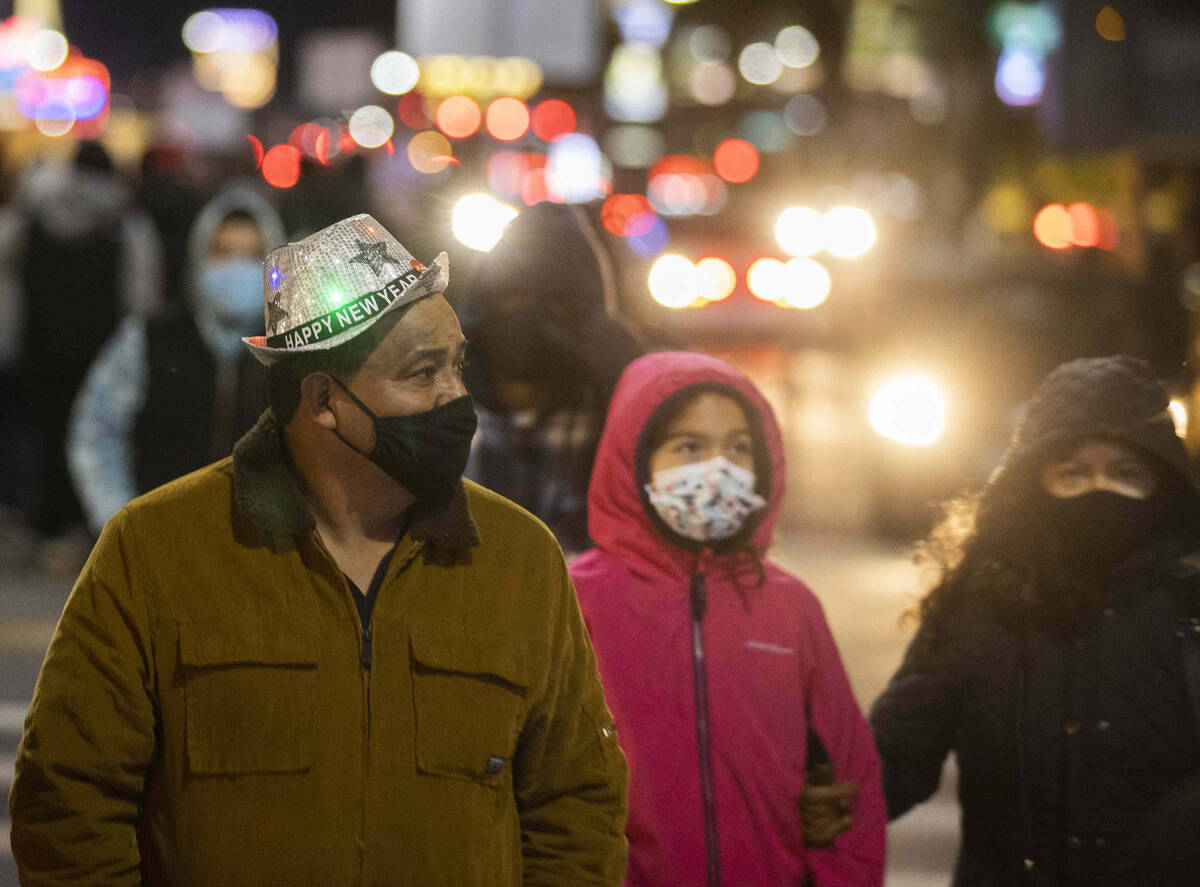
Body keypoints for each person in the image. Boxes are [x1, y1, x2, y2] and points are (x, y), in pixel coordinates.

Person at [9, 214, 628, 885]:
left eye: (457, 365)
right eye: (422, 373)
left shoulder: (519, 559)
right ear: (324, 398)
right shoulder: (155, 550)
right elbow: (69, 806)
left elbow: (576, 807)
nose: (455, 399)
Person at [869, 355, 1200, 886]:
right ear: (1034, 486)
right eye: (1073, 474)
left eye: (1125, 474)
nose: (1099, 491)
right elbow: (893, 759)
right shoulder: (983, 608)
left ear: (1162, 488)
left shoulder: (1190, 606)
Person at [570, 351, 887, 887]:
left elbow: (850, 786)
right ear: (634, 456)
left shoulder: (789, 607)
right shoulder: (575, 601)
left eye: (740, 448)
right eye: (689, 447)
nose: (719, 468)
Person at [67, 184, 286, 534]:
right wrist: (119, 521)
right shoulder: (150, 340)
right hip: (162, 544)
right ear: (199, 255)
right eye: (223, 252)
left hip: (261, 557)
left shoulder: (288, 352)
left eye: (252, 255)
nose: (236, 267)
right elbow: (97, 430)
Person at [460, 202, 642, 555]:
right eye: (512, 300)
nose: (528, 320)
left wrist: (626, 382)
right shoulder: (447, 412)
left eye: (555, 306)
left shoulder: (611, 414)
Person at [0, 142, 162, 534]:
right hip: (99, 352)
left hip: (39, 347)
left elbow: (8, 280)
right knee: (95, 435)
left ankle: (44, 519)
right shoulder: (125, 223)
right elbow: (141, 298)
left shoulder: (33, 214)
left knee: (45, 434)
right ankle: (84, 521)